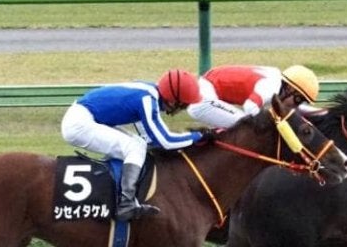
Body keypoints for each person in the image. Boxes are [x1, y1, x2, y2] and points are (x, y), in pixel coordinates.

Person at [60, 69, 205, 221]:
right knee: (133, 148)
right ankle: (126, 204)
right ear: (173, 101)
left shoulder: (149, 92)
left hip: (85, 117)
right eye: (184, 106)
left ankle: (117, 189)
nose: (182, 110)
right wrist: (198, 136)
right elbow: (165, 141)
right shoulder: (147, 100)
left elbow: (149, 139)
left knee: (138, 144)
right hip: (79, 124)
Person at [187, 64, 319, 128]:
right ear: (290, 88)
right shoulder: (271, 86)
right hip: (203, 100)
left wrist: (322, 113)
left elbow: (298, 111)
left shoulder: (277, 78)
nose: (295, 105)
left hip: (208, 90)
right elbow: (250, 107)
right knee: (246, 127)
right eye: (298, 100)